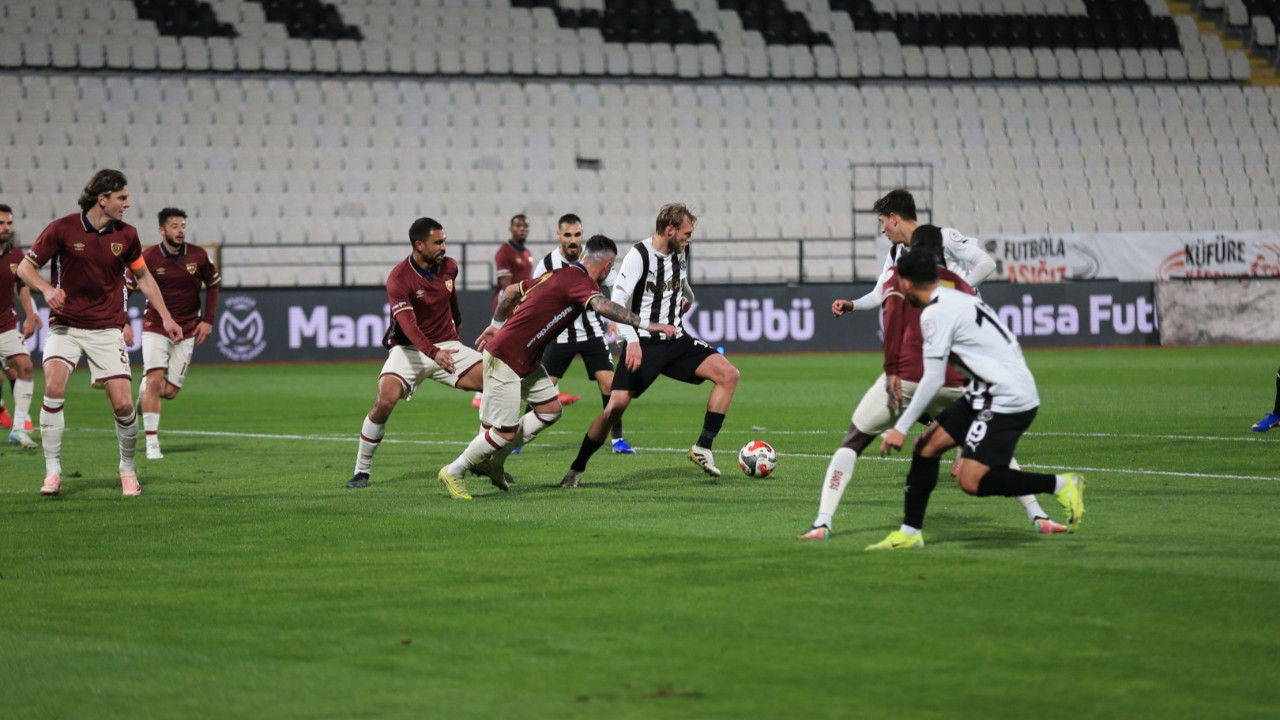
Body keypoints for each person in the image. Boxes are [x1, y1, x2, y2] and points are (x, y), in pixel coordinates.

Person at [799, 226, 1065, 540]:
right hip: (956, 382)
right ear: (943, 252)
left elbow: (891, 319)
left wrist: (891, 370)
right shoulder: (963, 285)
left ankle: (823, 522)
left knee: (854, 440)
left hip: (909, 376)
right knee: (987, 447)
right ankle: (1039, 515)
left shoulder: (900, 276)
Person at [867, 246, 1086, 550]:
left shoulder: (934, 313)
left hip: (1005, 397)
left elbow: (932, 378)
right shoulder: (960, 296)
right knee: (927, 447)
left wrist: (900, 427)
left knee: (971, 481)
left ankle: (1061, 485)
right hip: (987, 389)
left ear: (906, 284)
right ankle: (909, 533)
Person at [437, 235, 676, 499]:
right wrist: (647, 325)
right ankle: (454, 470)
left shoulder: (556, 275)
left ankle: (496, 462)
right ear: (607, 266)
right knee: (503, 431)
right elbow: (602, 305)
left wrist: (496, 324)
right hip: (506, 357)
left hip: (526, 360)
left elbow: (512, 291)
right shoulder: (579, 281)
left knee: (550, 410)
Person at [17, 169, 183, 497]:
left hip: (107, 328)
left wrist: (166, 317)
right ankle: (53, 471)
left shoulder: (128, 235)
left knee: (123, 405)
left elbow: (145, 278)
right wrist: (47, 290)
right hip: (65, 325)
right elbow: (24, 268)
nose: (128, 203)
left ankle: (127, 469)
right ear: (102, 199)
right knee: (52, 386)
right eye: (122, 198)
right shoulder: (62, 228)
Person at [560, 204, 741, 488]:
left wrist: (689, 298)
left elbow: (681, 280)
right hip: (643, 343)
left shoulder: (681, 251)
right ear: (669, 230)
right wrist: (630, 341)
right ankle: (576, 468)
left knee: (729, 375)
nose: (689, 239)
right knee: (614, 408)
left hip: (675, 338)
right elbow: (616, 302)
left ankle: (703, 447)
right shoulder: (639, 256)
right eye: (686, 233)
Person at [347, 217, 491, 489]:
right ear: (419, 245)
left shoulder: (449, 267)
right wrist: (433, 352)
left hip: (446, 345)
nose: (444, 246)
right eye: (438, 242)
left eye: (444, 240)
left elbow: (452, 299)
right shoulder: (399, 278)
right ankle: (361, 470)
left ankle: (484, 458)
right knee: (385, 401)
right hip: (410, 349)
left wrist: (456, 331)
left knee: (494, 382)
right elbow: (409, 327)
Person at [538, 214, 634, 454]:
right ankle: (517, 437)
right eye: (568, 235)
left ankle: (617, 440)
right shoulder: (547, 264)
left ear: (582, 235)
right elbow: (536, 296)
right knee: (543, 389)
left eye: (577, 234)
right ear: (558, 236)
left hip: (591, 333)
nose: (573, 240)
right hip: (560, 336)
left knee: (609, 384)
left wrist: (613, 320)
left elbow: (615, 284)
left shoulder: (593, 259)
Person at [131, 208, 221, 460]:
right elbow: (125, 287)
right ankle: (152, 443)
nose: (180, 230)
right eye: (174, 226)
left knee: (169, 392)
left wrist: (208, 321)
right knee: (155, 380)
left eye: (183, 225)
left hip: (188, 328)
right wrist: (123, 322)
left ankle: (145, 390)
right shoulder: (148, 257)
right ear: (162, 230)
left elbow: (213, 285)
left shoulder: (198, 255)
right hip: (155, 327)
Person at [845, 188, 997, 313]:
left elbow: (987, 263)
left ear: (894, 218)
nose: (882, 230)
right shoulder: (895, 254)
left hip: (969, 316)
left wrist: (956, 291)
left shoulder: (943, 237)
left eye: (882, 222)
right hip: (941, 324)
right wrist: (852, 305)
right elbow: (879, 294)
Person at [474, 213, 546, 409]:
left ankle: (518, 386)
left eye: (525, 226)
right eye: (518, 226)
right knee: (496, 344)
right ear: (511, 228)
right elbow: (507, 285)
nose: (522, 229)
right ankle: (479, 390)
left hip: (520, 305)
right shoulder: (504, 252)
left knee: (513, 346)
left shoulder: (526, 252)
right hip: (506, 306)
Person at [0, 203, 42, 448]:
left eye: (9, 223)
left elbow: (21, 285)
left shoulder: (17, 256)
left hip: (5, 325)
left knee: (25, 366)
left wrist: (29, 315)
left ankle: (18, 428)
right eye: (1, 223)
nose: (6, 228)